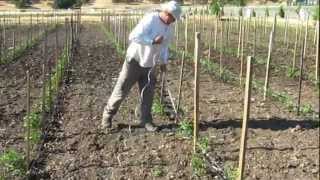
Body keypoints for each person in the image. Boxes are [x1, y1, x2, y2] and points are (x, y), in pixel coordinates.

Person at [101, 1, 182, 132]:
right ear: (167, 13)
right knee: (121, 90)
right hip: (135, 60)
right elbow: (133, 36)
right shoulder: (151, 19)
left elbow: (164, 47)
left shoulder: (169, 28)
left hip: (151, 64)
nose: (173, 21)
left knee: (148, 94)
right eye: (172, 18)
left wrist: (163, 62)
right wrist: (151, 41)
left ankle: (146, 121)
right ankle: (107, 117)